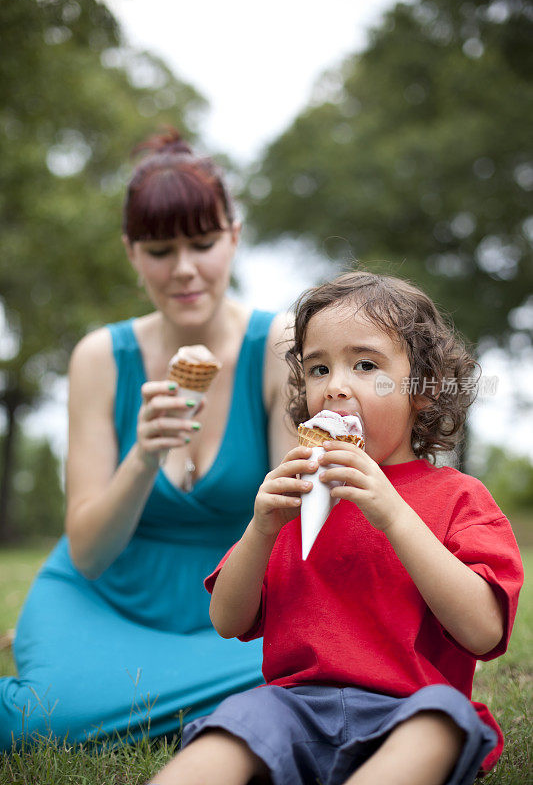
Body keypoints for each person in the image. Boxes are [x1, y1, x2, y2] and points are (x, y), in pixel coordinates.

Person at [150, 271, 523, 785]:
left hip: (410, 707)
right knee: (232, 725)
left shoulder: (460, 497)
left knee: (442, 724)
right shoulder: (295, 496)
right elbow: (227, 619)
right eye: (318, 368)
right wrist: (260, 530)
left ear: (420, 390)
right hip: (293, 707)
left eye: (365, 365)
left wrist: (392, 514)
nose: (336, 387)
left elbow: (483, 632)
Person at [0, 128, 296, 750]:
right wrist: (142, 457)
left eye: (204, 243)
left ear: (235, 238)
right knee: (45, 718)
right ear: (132, 254)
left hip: (237, 617)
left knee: (308, 672)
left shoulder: (278, 347)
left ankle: (143, 700)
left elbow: (297, 530)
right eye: (160, 250)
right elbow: (88, 552)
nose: (185, 269)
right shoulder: (100, 359)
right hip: (103, 599)